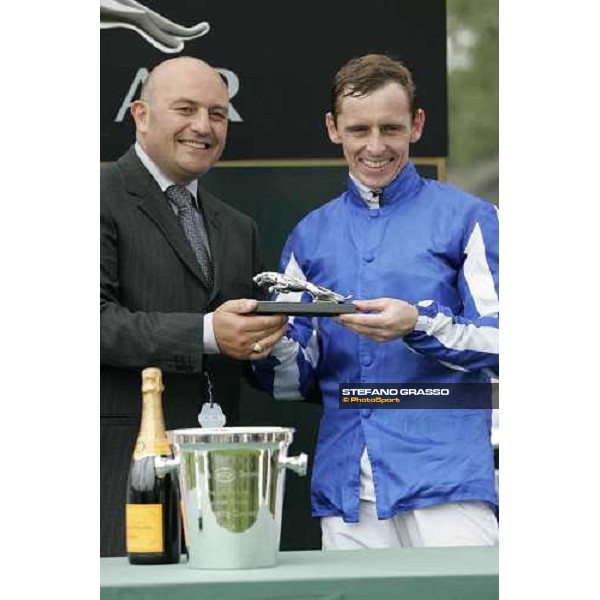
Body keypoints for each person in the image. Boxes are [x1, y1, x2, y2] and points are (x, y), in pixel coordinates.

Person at [254, 54, 499, 549]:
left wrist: (417, 324)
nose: (375, 145)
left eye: (391, 127)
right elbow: (289, 383)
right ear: (333, 129)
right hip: (346, 484)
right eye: (359, 129)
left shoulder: (472, 216)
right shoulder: (309, 235)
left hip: (447, 475)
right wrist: (272, 343)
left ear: (417, 125)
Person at [101, 57, 286, 556]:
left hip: (221, 489)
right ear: (141, 114)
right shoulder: (94, 198)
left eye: (218, 114)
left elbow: (241, 346)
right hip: (120, 474)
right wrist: (206, 333)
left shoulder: (237, 226)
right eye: (185, 109)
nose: (203, 127)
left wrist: (275, 345)